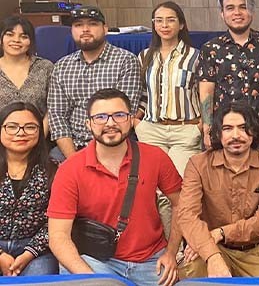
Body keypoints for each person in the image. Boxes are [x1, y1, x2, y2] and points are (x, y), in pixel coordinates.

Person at [47, 88, 182, 286]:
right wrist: (93, 279)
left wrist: (171, 252)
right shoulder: (70, 169)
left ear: (131, 119)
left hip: (151, 261)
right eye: (100, 117)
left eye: (119, 115)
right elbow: (58, 236)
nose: (110, 123)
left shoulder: (156, 157)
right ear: (88, 124)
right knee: (73, 270)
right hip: (96, 261)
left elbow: (182, 205)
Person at [176, 100, 259, 278]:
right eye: (227, 128)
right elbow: (187, 215)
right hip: (211, 245)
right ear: (218, 133)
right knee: (194, 272)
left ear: (254, 131)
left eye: (243, 127)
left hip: (254, 250)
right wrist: (212, 255)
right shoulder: (198, 164)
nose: (236, 135)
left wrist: (222, 233)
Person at [135, 2, 202, 234]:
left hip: (185, 131)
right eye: (159, 20)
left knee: (174, 190)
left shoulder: (195, 57)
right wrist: (137, 122)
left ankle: (176, 246)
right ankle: (162, 244)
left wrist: (203, 124)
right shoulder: (144, 56)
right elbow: (142, 95)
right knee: (151, 190)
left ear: (181, 24)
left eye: (170, 19)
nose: (164, 25)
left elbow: (202, 94)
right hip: (151, 131)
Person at [48, 6, 141, 161]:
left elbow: (124, 113)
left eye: (92, 24)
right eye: (78, 25)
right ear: (71, 31)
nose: (85, 29)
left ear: (105, 29)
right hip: (73, 146)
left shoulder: (126, 61)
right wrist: (74, 160)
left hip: (114, 141)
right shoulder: (61, 66)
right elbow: (57, 115)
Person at [199, 0, 259, 151]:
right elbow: (206, 92)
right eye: (230, 8)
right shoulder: (211, 48)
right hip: (224, 130)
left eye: (243, 7)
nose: (237, 13)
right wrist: (207, 127)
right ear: (222, 14)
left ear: (252, 12)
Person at [0, 102, 58, 276]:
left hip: (35, 249)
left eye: (30, 127)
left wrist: (29, 252)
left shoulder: (54, 170)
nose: (20, 133)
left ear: (40, 132)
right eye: (12, 127)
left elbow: (56, 220)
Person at [0, 16, 53, 122]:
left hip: (39, 134)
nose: (16, 40)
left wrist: (40, 136)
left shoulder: (45, 67)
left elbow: (52, 109)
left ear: (31, 42)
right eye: (10, 35)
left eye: (23, 36)